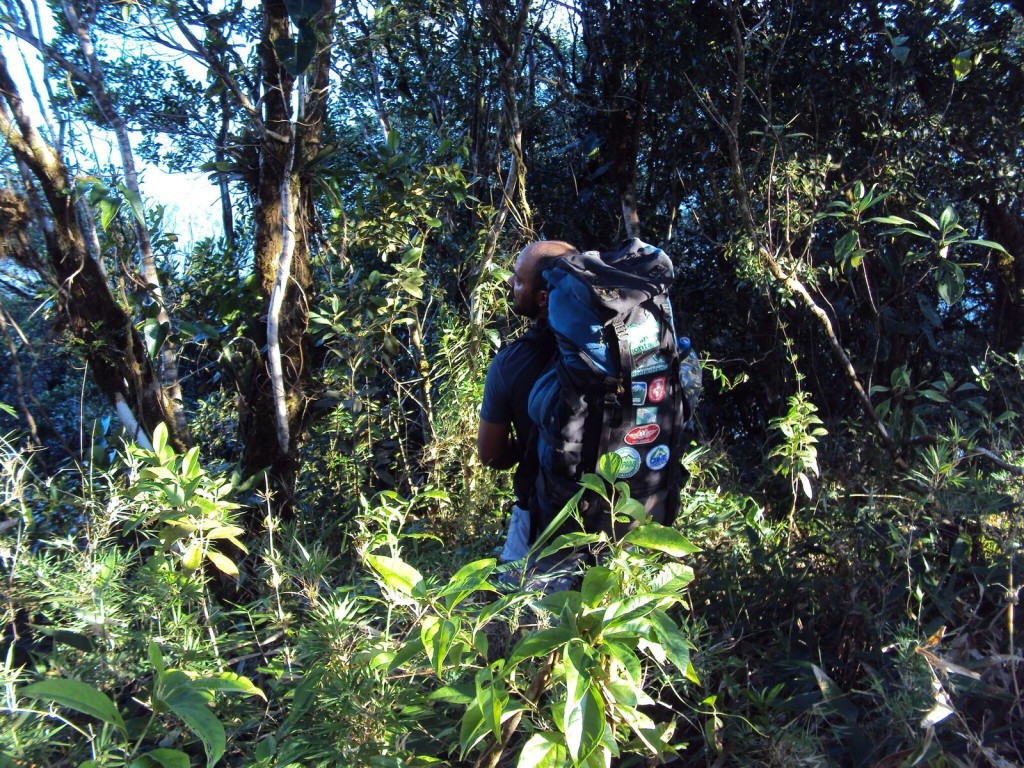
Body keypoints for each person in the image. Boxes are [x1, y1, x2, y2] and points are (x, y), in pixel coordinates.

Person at [477, 240, 576, 561]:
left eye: (519, 280)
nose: (510, 283)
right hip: (625, 513)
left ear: (543, 299)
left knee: (515, 610)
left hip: (544, 518)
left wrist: (528, 447)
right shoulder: (617, 346)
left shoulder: (510, 364)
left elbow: (491, 456)